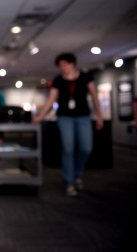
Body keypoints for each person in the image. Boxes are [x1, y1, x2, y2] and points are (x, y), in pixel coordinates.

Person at [33, 52, 103, 196]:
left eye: (65, 64)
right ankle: (69, 181)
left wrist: (99, 115)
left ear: (73, 64)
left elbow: (95, 96)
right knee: (68, 149)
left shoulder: (85, 77)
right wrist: (41, 116)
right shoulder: (58, 80)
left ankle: (77, 174)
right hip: (65, 118)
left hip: (83, 117)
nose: (63, 67)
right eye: (60, 65)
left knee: (86, 148)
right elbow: (51, 100)